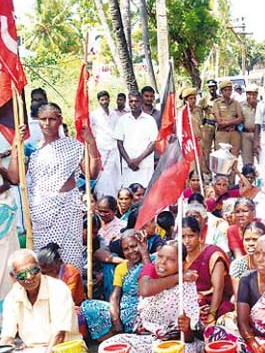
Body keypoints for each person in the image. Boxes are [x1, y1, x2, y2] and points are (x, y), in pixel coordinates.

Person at [8, 103, 101, 268]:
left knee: (71, 259)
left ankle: (72, 291)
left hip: (68, 209)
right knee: (44, 261)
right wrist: (16, 146)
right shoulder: (30, 148)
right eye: (43, 119)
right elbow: (15, 178)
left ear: (60, 120)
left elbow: (91, 173)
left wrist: (91, 143)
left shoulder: (73, 146)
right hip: (41, 211)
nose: (47, 123)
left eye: (52, 119)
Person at [101, 241, 204, 353]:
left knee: (186, 352)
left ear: (182, 264)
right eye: (160, 256)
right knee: (108, 345)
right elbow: (145, 290)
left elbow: (189, 338)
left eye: (171, 259)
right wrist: (178, 277)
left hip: (173, 344)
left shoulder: (186, 286)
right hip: (147, 341)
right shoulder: (150, 270)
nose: (162, 262)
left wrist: (186, 329)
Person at [0, 249, 82, 353]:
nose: (30, 277)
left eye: (34, 270)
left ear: (40, 267)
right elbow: (7, 337)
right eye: (23, 275)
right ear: (13, 277)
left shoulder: (58, 288)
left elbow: (59, 335)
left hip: (62, 351)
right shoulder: (12, 297)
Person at [80, 230, 150, 341]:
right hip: (124, 312)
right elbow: (115, 296)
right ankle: (114, 340)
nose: (131, 251)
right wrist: (116, 319)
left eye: (134, 246)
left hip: (145, 310)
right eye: (126, 249)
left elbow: (149, 280)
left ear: (142, 244)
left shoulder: (153, 261)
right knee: (89, 306)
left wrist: (145, 253)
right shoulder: (121, 268)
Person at [182, 215, 234, 327]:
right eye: (183, 237)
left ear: (199, 235)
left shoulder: (213, 254)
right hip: (192, 305)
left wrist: (211, 316)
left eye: (191, 236)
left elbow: (218, 288)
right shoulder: (179, 256)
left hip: (215, 304)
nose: (186, 241)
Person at [114, 91, 158, 188]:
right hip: (128, 165)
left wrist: (138, 160)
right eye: (131, 101)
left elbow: (154, 142)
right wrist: (129, 161)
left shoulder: (149, 120)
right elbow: (119, 143)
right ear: (128, 103)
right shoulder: (122, 120)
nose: (134, 104)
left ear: (141, 102)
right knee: (128, 193)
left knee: (145, 193)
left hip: (144, 165)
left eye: (136, 101)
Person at [91, 90, 122, 198]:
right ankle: (101, 198)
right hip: (101, 149)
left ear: (109, 99)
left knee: (114, 174)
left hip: (114, 148)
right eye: (102, 100)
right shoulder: (94, 115)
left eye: (106, 99)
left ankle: (113, 198)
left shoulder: (114, 114)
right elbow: (89, 131)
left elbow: (118, 130)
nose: (104, 102)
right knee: (102, 175)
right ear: (99, 101)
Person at [229, 220, 265, 295]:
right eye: (247, 240)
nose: (250, 244)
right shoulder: (238, 265)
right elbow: (239, 297)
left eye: (255, 240)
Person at [212, 80, 244, 159]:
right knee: (222, 158)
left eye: (230, 90)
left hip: (234, 134)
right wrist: (233, 122)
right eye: (225, 90)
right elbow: (219, 122)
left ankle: (233, 171)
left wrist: (227, 123)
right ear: (221, 91)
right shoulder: (217, 103)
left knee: (234, 157)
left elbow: (240, 118)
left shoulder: (236, 103)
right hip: (222, 134)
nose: (228, 92)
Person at [240, 86, 259, 166]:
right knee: (247, 162)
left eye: (254, 94)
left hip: (258, 135)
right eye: (249, 94)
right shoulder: (241, 105)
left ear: (257, 95)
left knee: (262, 158)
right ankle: (249, 177)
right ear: (246, 94)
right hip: (245, 135)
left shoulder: (261, 105)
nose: (251, 96)